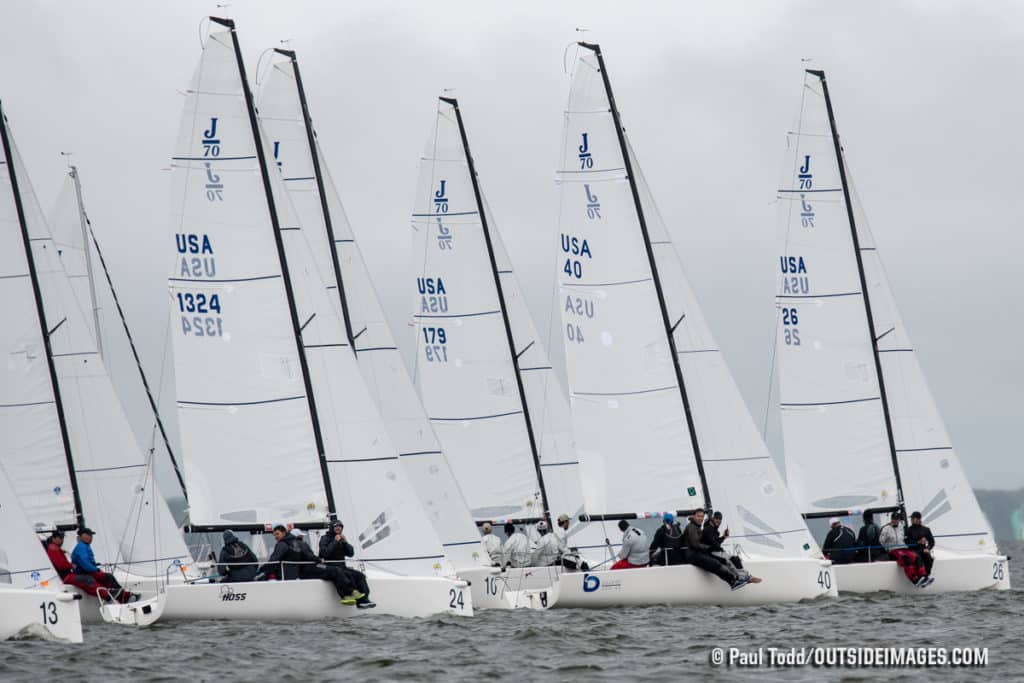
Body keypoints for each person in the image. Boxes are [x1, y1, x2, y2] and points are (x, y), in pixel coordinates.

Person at [259, 525, 360, 605]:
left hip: (307, 568)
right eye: (275, 535)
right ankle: (348, 593)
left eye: (277, 534)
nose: (276, 537)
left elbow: (309, 556)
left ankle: (350, 593)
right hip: (302, 571)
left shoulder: (293, 543)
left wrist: (318, 560)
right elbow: (274, 559)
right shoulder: (286, 544)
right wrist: (262, 569)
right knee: (334, 570)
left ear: (284, 533)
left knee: (335, 570)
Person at [683, 510, 749, 590]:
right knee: (715, 564)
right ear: (694, 516)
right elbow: (695, 544)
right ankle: (733, 582)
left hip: (697, 553)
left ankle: (738, 578)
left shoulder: (697, 526)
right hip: (692, 555)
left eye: (702, 517)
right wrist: (708, 547)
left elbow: (706, 543)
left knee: (719, 562)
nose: (700, 518)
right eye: (698, 516)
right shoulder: (692, 527)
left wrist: (722, 538)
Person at [70, 527, 137, 603]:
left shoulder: (84, 546)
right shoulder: (81, 547)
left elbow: (86, 562)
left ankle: (124, 596)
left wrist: (95, 565)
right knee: (108, 577)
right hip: (84, 573)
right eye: (89, 535)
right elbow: (85, 564)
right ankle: (124, 598)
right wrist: (96, 569)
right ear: (82, 536)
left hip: (86, 572)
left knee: (107, 578)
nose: (91, 537)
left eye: (91, 535)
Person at [319, 520, 374, 608]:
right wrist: (335, 542)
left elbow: (350, 553)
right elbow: (324, 553)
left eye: (340, 526)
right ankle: (348, 595)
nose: (338, 528)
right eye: (336, 526)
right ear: (332, 528)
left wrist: (345, 542)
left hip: (342, 566)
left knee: (360, 576)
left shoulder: (341, 538)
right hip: (331, 567)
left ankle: (363, 600)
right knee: (346, 575)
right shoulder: (325, 538)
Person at [702, 511, 762, 584]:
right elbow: (714, 544)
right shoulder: (708, 529)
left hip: (716, 551)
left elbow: (716, 542)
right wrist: (721, 548)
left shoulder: (713, 529)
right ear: (713, 518)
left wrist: (724, 537)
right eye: (716, 518)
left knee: (735, 558)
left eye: (720, 519)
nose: (718, 520)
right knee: (729, 560)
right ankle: (741, 577)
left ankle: (746, 576)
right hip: (711, 552)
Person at [44, 530, 104, 598]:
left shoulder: (54, 547)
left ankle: (102, 593)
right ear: (53, 538)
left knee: (86, 578)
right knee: (88, 579)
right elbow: (61, 565)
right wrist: (71, 565)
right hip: (65, 577)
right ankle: (105, 595)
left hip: (65, 575)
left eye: (62, 538)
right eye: (60, 538)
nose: (62, 540)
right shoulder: (53, 548)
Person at [879, 512, 930, 587]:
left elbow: (906, 538)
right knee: (906, 559)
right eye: (894, 519)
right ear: (891, 519)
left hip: (903, 548)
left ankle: (924, 577)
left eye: (897, 519)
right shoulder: (886, 529)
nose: (895, 521)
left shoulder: (901, 527)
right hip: (893, 549)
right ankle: (914, 580)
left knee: (916, 557)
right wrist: (886, 548)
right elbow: (881, 541)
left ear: (899, 520)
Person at [905, 511, 936, 585]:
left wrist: (928, 548)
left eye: (913, 518)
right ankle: (921, 576)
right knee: (917, 557)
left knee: (928, 557)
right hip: (912, 549)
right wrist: (917, 542)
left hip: (923, 549)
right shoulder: (908, 530)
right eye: (911, 518)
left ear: (918, 519)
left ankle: (926, 576)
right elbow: (907, 542)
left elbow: (932, 541)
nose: (911, 520)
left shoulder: (926, 529)